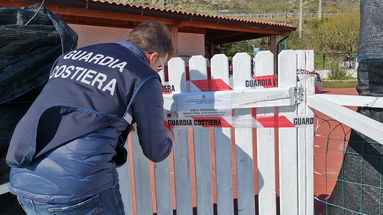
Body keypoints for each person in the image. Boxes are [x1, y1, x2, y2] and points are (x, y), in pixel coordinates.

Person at [6, 20, 174, 215]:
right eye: (161, 66)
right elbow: (155, 150)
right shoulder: (143, 75)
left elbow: (76, 107)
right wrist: (168, 139)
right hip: (77, 191)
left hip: (25, 179)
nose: (158, 71)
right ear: (153, 57)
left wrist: (123, 120)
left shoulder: (71, 57)